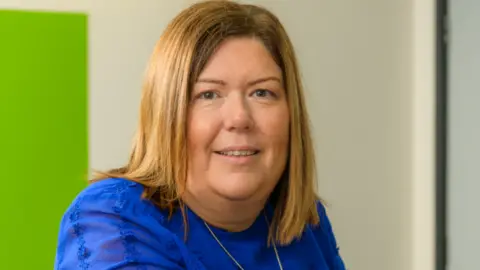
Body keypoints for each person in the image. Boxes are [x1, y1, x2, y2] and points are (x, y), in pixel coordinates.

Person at [54, 1, 346, 269]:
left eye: (262, 92)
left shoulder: (306, 222)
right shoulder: (113, 219)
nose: (239, 118)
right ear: (167, 115)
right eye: (208, 94)